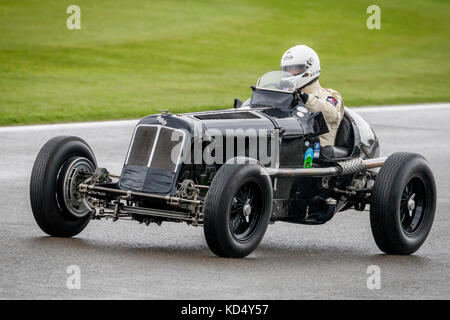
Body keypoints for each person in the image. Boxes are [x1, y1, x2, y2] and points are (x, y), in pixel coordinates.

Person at [281, 45, 344, 146]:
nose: (290, 73)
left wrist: (306, 99)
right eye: (287, 70)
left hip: (318, 152)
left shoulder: (330, 94)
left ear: (310, 68)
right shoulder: (286, 94)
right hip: (288, 144)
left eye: (295, 69)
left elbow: (333, 115)